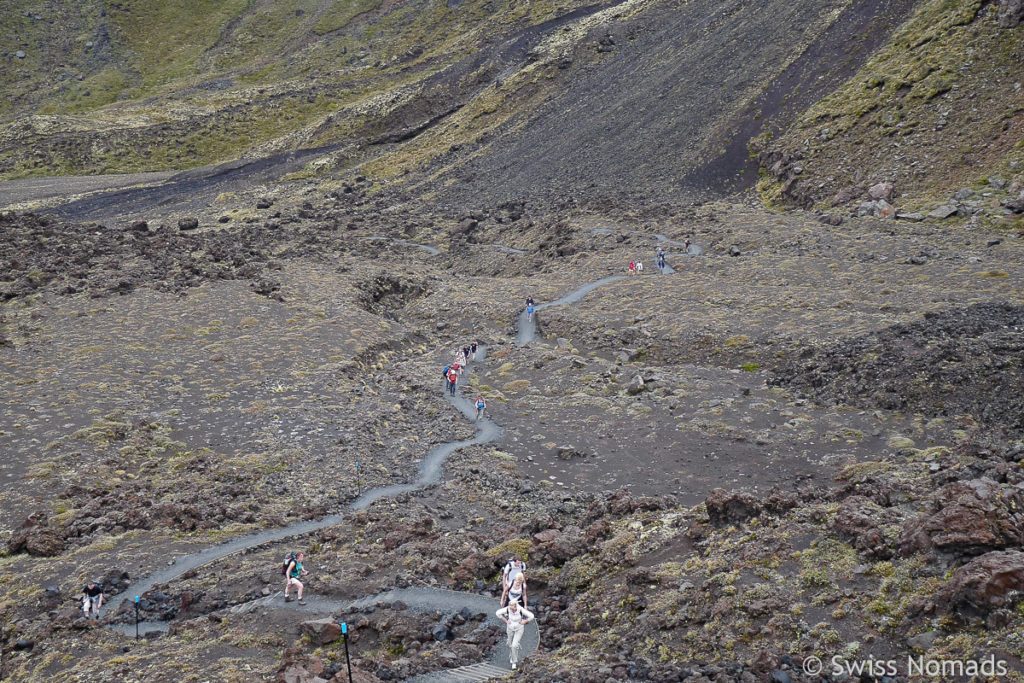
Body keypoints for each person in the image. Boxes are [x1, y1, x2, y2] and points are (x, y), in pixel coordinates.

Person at [496, 599, 535, 670]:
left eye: (512, 607)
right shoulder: (507, 609)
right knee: (510, 644)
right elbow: (498, 613)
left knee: (514, 645)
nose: (511, 608)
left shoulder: (520, 610)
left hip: (519, 628)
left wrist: (525, 621)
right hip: (510, 628)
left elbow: (531, 616)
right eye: (510, 607)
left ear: (515, 606)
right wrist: (506, 620)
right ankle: (512, 655)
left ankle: (514, 662)